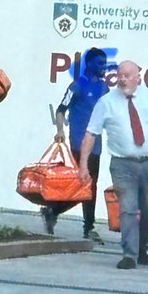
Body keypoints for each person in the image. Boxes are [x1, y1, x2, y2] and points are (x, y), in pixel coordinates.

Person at [79, 60, 148, 270]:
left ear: (138, 77)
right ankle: (129, 255)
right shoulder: (106, 102)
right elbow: (91, 133)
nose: (122, 79)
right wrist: (83, 164)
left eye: (127, 75)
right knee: (128, 208)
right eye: (120, 75)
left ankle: (141, 247)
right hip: (122, 164)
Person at [42, 47, 107, 241]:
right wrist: (60, 131)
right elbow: (61, 110)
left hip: (96, 144)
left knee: (90, 186)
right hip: (79, 142)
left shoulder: (104, 88)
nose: (103, 67)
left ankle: (55, 212)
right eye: (99, 63)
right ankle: (80, 223)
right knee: (80, 185)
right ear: (90, 64)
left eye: (104, 63)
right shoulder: (77, 85)